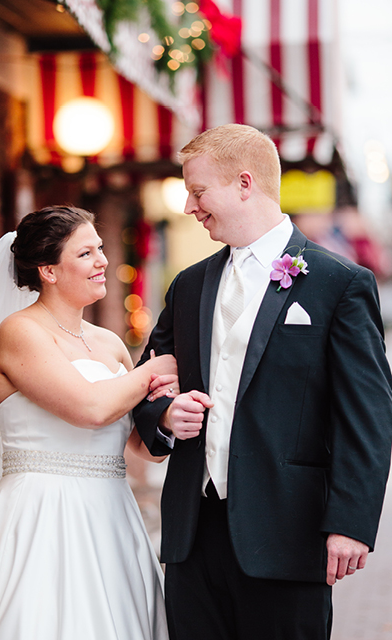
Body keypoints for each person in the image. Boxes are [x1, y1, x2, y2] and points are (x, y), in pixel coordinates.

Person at [133, 124, 392, 640]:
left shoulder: (339, 283)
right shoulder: (188, 285)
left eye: (198, 191)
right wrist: (163, 416)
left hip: (289, 534)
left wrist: (350, 522)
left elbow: (367, 413)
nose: (189, 206)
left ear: (245, 183)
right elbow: (147, 381)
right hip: (192, 537)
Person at [0, 206, 178, 639]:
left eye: (101, 249)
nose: (103, 261)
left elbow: (140, 445)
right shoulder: (19, 332)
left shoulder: (109, 343)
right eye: (86, 253)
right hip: (42, 515)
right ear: (49, 270)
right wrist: (151, 371)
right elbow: (91, 409)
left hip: (113, 517)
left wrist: (166, 417)